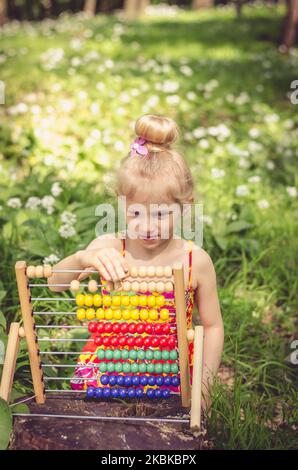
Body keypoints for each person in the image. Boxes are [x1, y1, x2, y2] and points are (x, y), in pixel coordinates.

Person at [49, 113, 224, 413]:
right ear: (121, 204)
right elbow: (54, 284)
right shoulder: (110, 247)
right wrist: (83, 257)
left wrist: (203, 390)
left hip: (171, 369)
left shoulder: (196, 261)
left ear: (185, 206)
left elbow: (212, 325)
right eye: (136, 214)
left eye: (160, 213)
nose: (147, 226)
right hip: (109, 369)